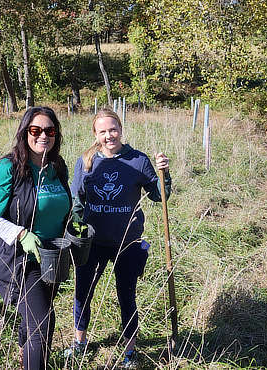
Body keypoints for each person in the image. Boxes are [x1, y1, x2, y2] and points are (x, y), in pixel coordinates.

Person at [66, 108, 171, 368]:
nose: (108, 135)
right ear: (95, 134)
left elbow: (159, 196)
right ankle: (80, 343)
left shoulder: (138, 160)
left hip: (128, 241)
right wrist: (74, 230)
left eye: (113, 129)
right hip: (93, 242)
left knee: (127, 295)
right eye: (102, 131)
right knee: (83, 293)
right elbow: (77, 200)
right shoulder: (87, 161)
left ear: (121, 129)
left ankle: (130, 352)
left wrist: (163, 173)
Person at [0, 107, 71, 370]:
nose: (43, 136)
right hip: (18, 259)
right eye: (35, 130)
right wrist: (20, 233)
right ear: (25, 132)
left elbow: (59, 206)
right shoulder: (9, 168)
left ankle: (24, 357)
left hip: (51, 257)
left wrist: (73, 225)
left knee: (33, 320)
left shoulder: (57, 167)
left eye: (49, 131)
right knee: (43, 324)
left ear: (56, 134)